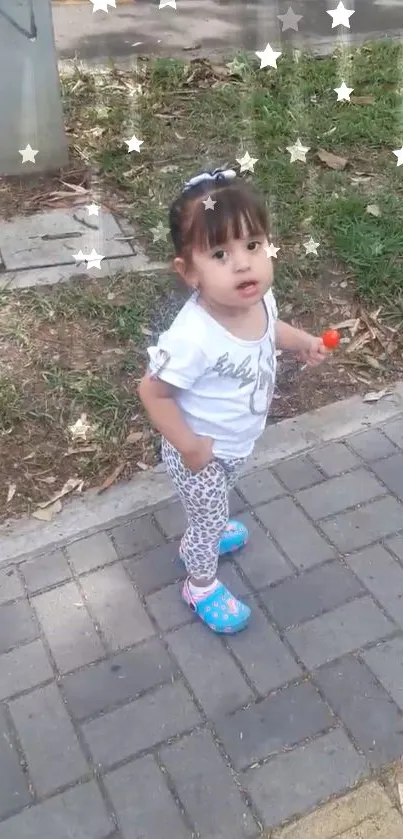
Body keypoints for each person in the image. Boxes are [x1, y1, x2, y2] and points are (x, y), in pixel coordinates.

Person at [139, 167, 327, 634]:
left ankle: (212, 525)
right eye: (220, 253)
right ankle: (199, 584)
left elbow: (271, 331)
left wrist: (301, 341)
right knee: (207, 518)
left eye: (253, 246)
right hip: (200, 452)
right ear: (188, 272)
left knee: (217, 504)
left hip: (235, 444)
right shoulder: (193, 336)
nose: (243, 264)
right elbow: (153, 389)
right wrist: (188, 445)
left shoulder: (258, 300)